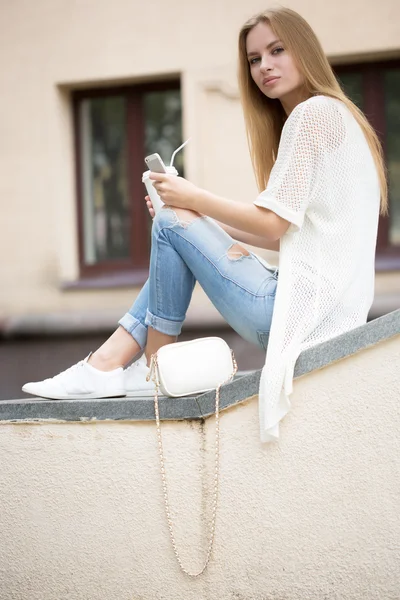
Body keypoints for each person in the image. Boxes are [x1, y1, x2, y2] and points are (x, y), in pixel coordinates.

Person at [22, 7, 387, 443]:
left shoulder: (312, 116)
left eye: (277, 50)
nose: (265, 66)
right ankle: (111, 364)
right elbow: (283, 232)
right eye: (254, 60)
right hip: (315, 313)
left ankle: (141, 368)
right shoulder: (340, 116)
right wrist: (195, 219)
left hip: (293, 313)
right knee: (175, 223)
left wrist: (191, 200)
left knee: (172, 220)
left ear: (304, 50)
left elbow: (271, 226)